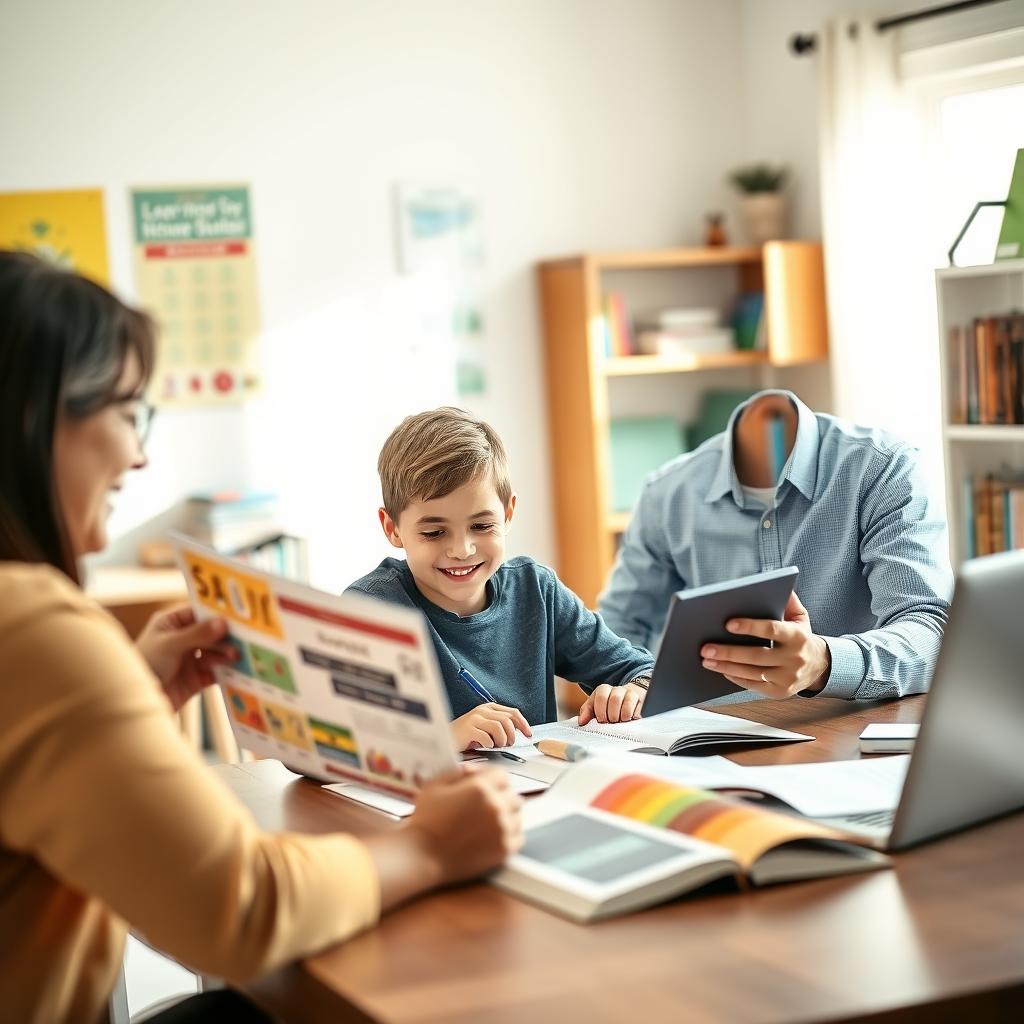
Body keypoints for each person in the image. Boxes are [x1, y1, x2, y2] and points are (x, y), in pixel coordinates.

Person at [0, 252, 522, 1024]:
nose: (140, 453)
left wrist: (133, 689)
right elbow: (237, 911)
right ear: (36, 419)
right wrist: (432, 848)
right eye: (127, 412)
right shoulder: (33, 626)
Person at [599, 389, 953, 704]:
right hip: (712, 735)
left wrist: (825, 662)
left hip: (850, 724)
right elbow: (618, 632)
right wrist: (633, 685)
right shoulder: (667, 492)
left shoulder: (883, 467)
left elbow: (931, 631)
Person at [346, 407, 655, 748]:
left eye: (481, 526)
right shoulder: (372, 607)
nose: (462, 550)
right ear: (392, 528)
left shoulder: (535, 591)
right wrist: (442, 740)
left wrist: (632, 692)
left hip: (530, 792)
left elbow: (644, 670)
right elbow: (320, 745)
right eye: (434, 532)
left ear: (508, 513)